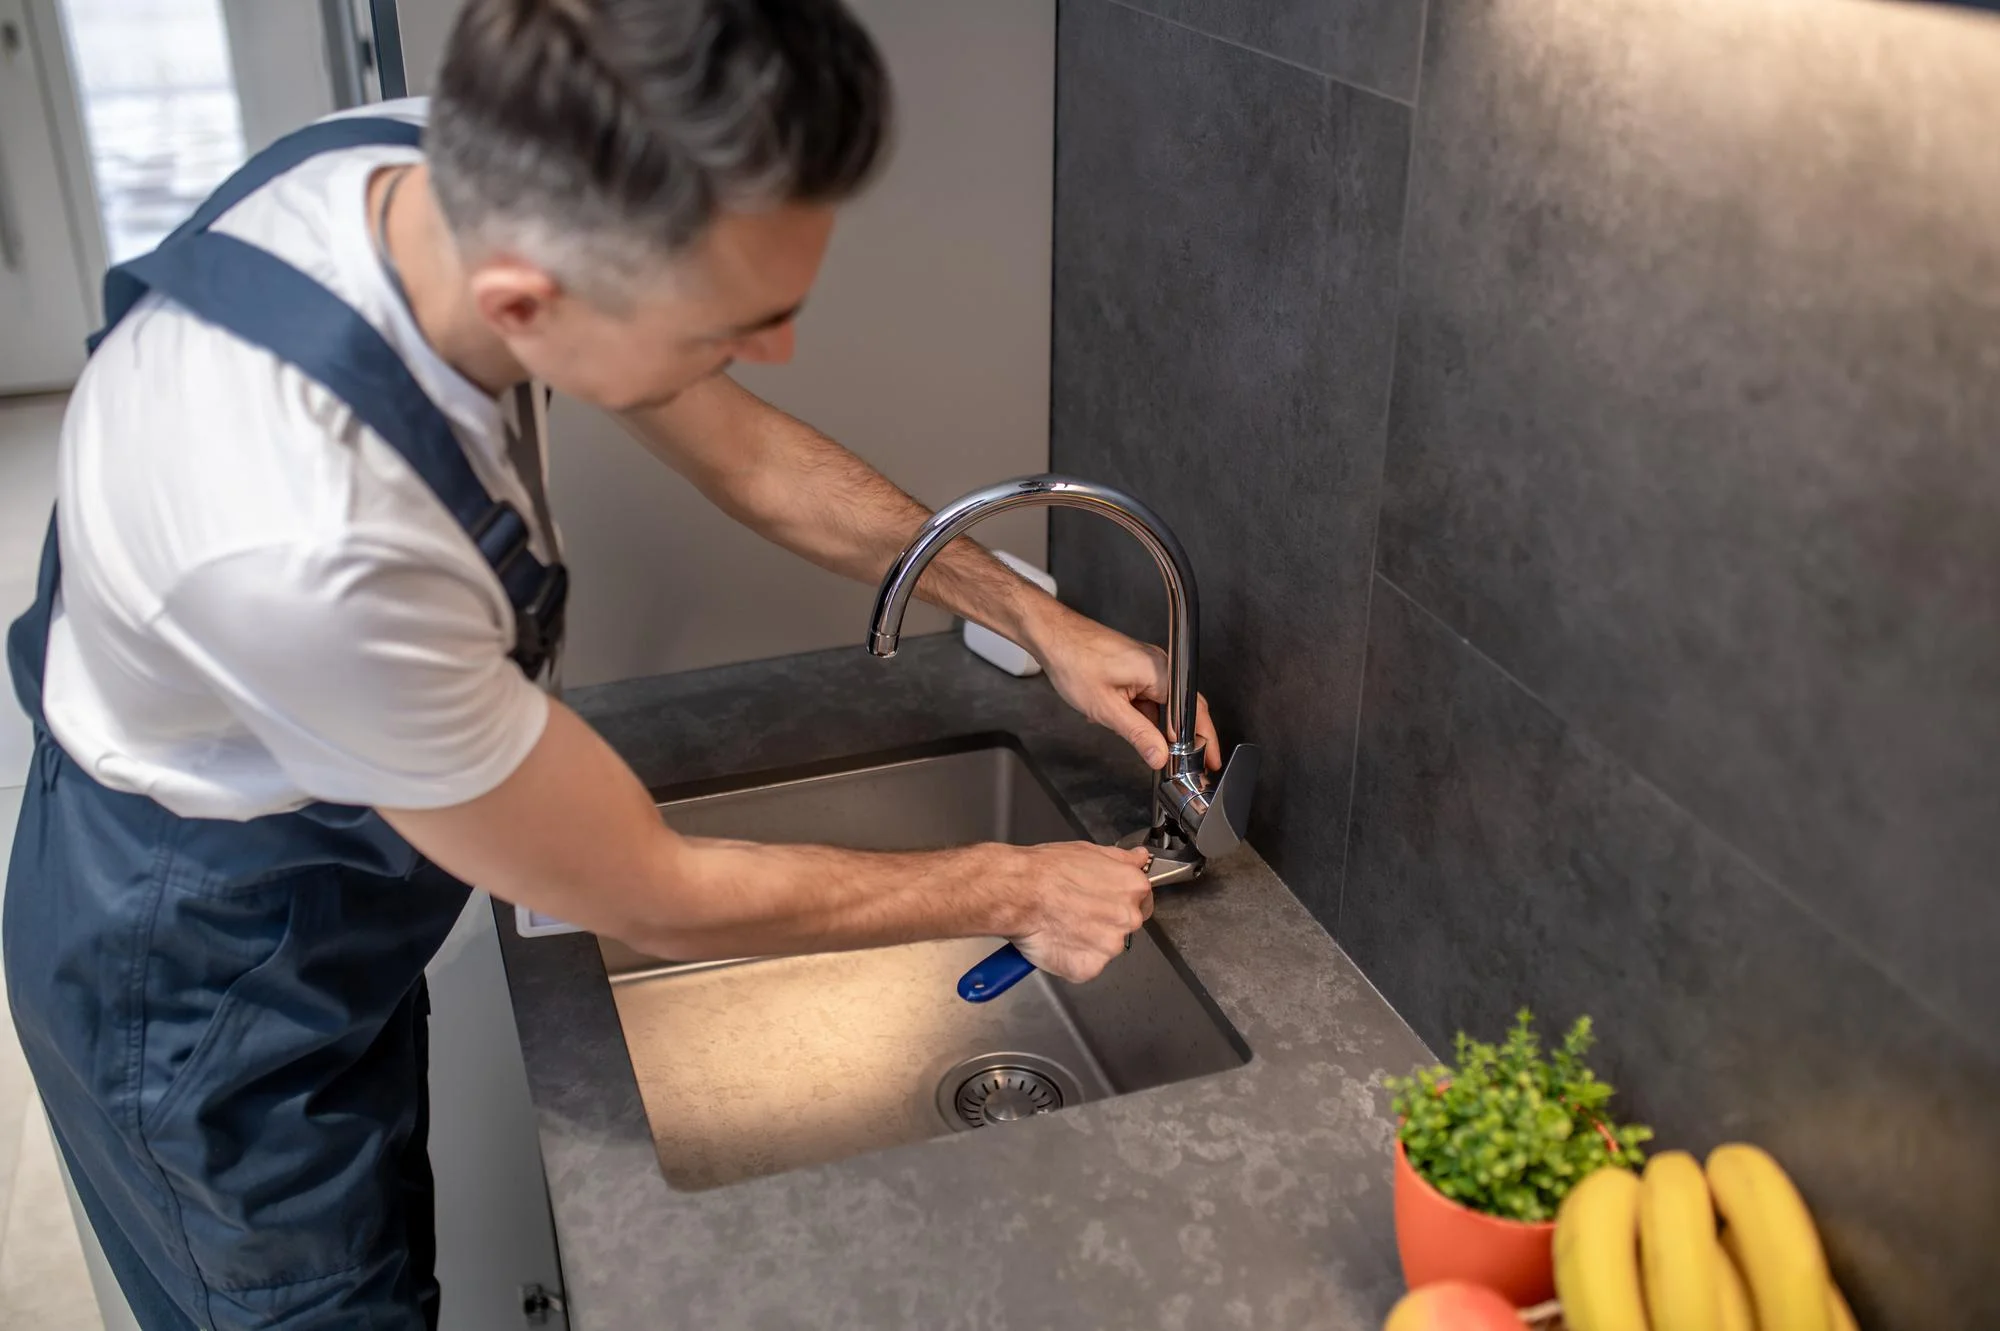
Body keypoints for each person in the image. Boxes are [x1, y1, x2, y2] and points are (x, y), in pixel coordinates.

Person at [2, 1, 1222, 1327]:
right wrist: (1012, 883)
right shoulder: (308, 540)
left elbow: (752, 459)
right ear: (528, 300)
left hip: (313, 869)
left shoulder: (429, 170)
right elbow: (659, 893)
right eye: (728, 327)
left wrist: (1035, 616)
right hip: (200, 987)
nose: (774, 350)